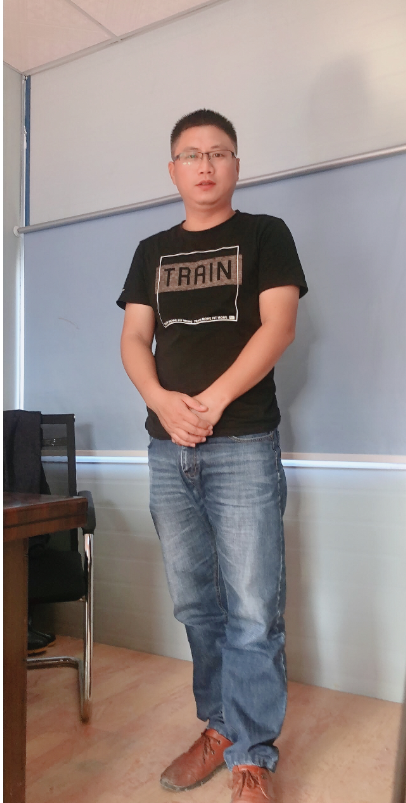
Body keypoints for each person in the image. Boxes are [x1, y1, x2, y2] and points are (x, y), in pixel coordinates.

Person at [117, 109, 308, 803]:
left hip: (243, 443)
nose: (205, 164)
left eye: (218, 152)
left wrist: (211, 402)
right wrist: (163, 403)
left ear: (236, 165)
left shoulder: (265, 234)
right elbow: (134, 339)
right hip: (168, 450)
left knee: (254, 608)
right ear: (172, 170)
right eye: (191, 154)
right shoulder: (151, 250)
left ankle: (252, 754)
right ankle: (221, 726)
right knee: (197, 604)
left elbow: (278, 326)